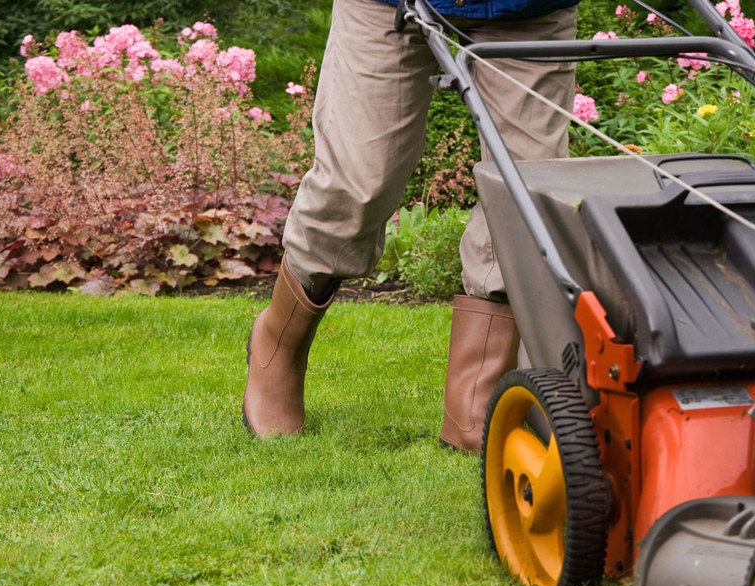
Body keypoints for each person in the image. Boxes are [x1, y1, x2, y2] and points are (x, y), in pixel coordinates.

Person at [243, 0, 580, 452]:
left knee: (523, 191)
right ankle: (279, 340)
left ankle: (475, 396)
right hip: (384, 5)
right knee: (357, 184)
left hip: (527, 9)